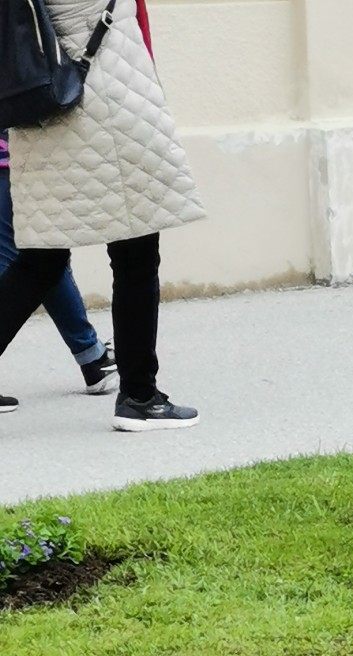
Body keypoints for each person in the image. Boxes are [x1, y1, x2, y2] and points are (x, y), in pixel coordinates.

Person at [0, 0, 202, 431]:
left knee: (42, 258)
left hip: (49, 103)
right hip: (103, 97)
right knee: (136, 251)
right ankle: (140, 396)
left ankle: (139, 393)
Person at [0, 131, 116, 409]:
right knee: (36, 257)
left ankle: (92, 357)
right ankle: (91, 356)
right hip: (15, 156)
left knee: (41, 258)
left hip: (16, 157)